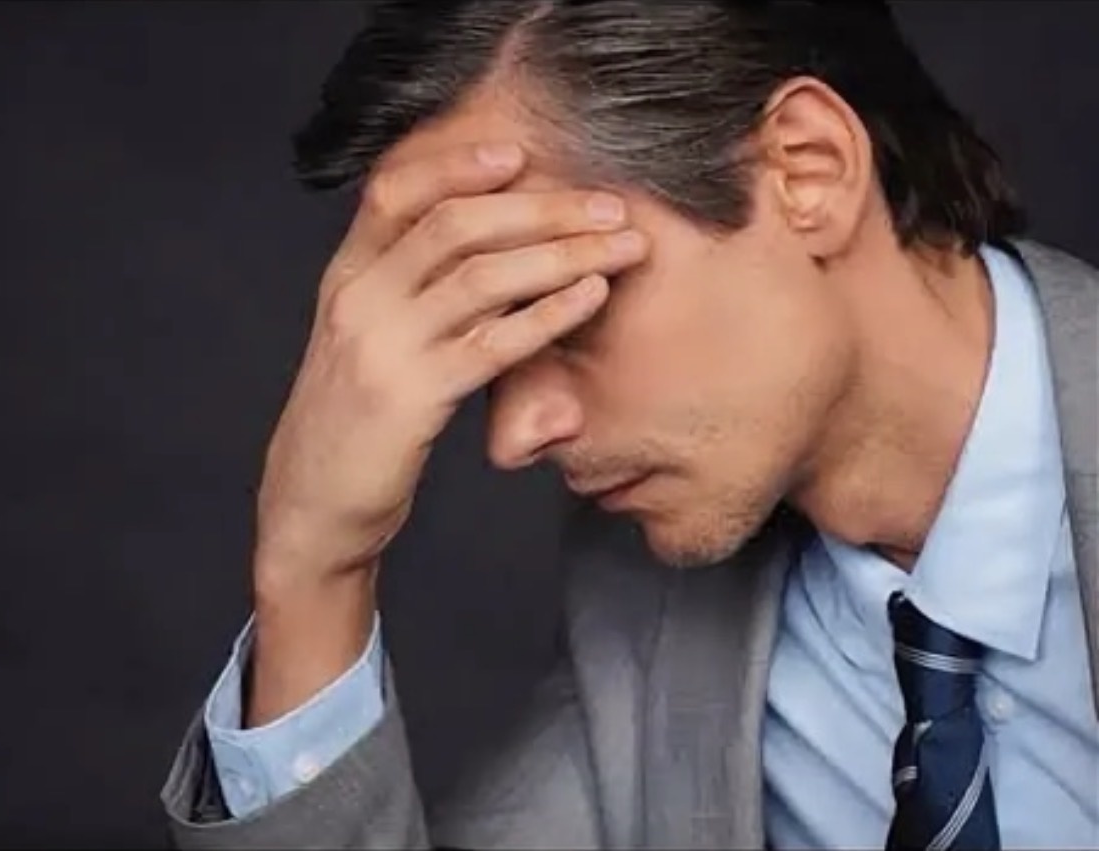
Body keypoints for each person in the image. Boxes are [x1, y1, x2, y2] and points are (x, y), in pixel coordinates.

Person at [160, 1, 1099, 848]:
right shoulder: (648, 609)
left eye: (568, 312)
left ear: (807, 171)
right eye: (495, 348)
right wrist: (314, 568)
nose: (514, 437)